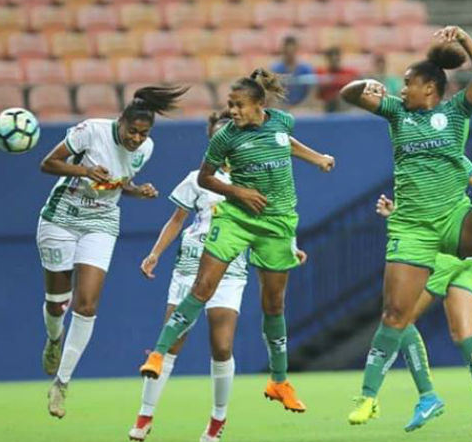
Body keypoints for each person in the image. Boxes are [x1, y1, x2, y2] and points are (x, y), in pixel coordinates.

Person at [138, 69, 335, 420]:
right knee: (202, 286)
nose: (232, 111)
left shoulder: (282, 121)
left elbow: (286, 142)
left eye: (239, 105)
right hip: (236, 218)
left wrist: (317, 157)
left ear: (259, 105)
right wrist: (238, 192)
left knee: (274, 304)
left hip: (277, 222)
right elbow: (205, 178)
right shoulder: (225, 137)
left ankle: (279, 381)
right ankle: (158, 353)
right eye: (230, 104)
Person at [339, 26, 472, 425]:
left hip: (451, 223)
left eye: (408, 82)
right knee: (399, 315)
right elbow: (349, 95)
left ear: (430, 87)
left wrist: (465, 39)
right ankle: (371, 398)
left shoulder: (455, 112)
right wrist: (365, 84)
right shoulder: (397, 113)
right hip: (412, 228)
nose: (402, 89)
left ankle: (440, 392)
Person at [128, 112, 308, 442]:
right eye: (217, 136)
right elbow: (177, 219)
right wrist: (155, 253)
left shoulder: (256, 176)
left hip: (231, 269)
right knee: (172, 343)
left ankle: (217, 419)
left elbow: (275, 217)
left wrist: (291, 247)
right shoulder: (199, 177)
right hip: (190, 266)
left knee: (222, 346)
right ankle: (145, 414)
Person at [39, 85, 186, 418]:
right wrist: (84, 170)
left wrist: (137, 191)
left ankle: (61, 383)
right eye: (132, 131)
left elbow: (116, 184)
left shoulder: (146, 149)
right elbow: (48, 163)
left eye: (143, 133)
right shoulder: (91, 131)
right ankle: (54, 338)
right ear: (120, 122)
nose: (136, 138)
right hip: (62, 217)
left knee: (87, 304)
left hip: (102, 221)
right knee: (57, 303)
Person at [375, 166, 472, 433]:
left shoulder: (433, 157)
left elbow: (436, 211)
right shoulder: (446, 157)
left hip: (443, 253)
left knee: (402, 321)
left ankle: (427, 396)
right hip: (469, 256)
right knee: (465, 335)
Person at [270, 36, 315, 108]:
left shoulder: (306, 69)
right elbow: (272, 93)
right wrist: (283, 107)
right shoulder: (276, 69)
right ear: (283, 51)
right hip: (282, 108)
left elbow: (311, 92)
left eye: (292, 51)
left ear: (296, 50)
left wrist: (301, 107)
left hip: (303, 108)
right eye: (287, 52)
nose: (289, 54)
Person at [317, 46, 360, 113]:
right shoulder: (321, 73)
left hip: (346, 106)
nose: (334, 62)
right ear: (327, 59)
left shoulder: (350, 73)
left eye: (337, 59)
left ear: (340, 58)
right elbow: (317, 93)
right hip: (326, 106)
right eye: (332, 59)